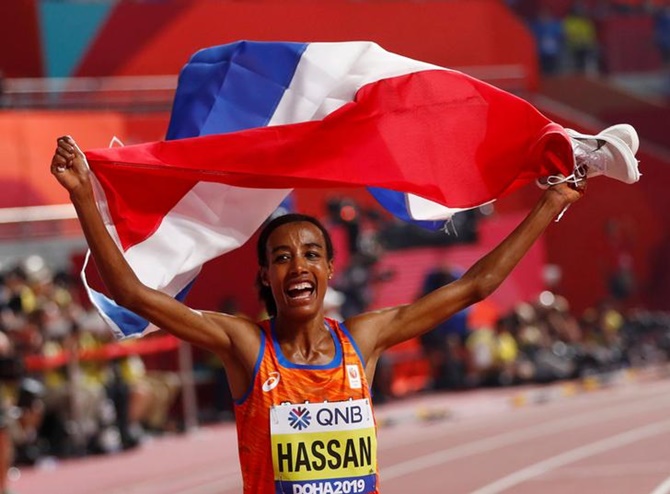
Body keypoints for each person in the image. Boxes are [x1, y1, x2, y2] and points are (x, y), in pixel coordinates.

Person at [49, 129, 633, 493]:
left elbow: (475, 285)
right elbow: (131, 294)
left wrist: (552, 200)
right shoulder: (244, 346)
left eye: (310, 255)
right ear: (265, 277)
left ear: (328, 270)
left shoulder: (366, 338)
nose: (297, 266)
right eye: (281, 257)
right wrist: (83, 198)